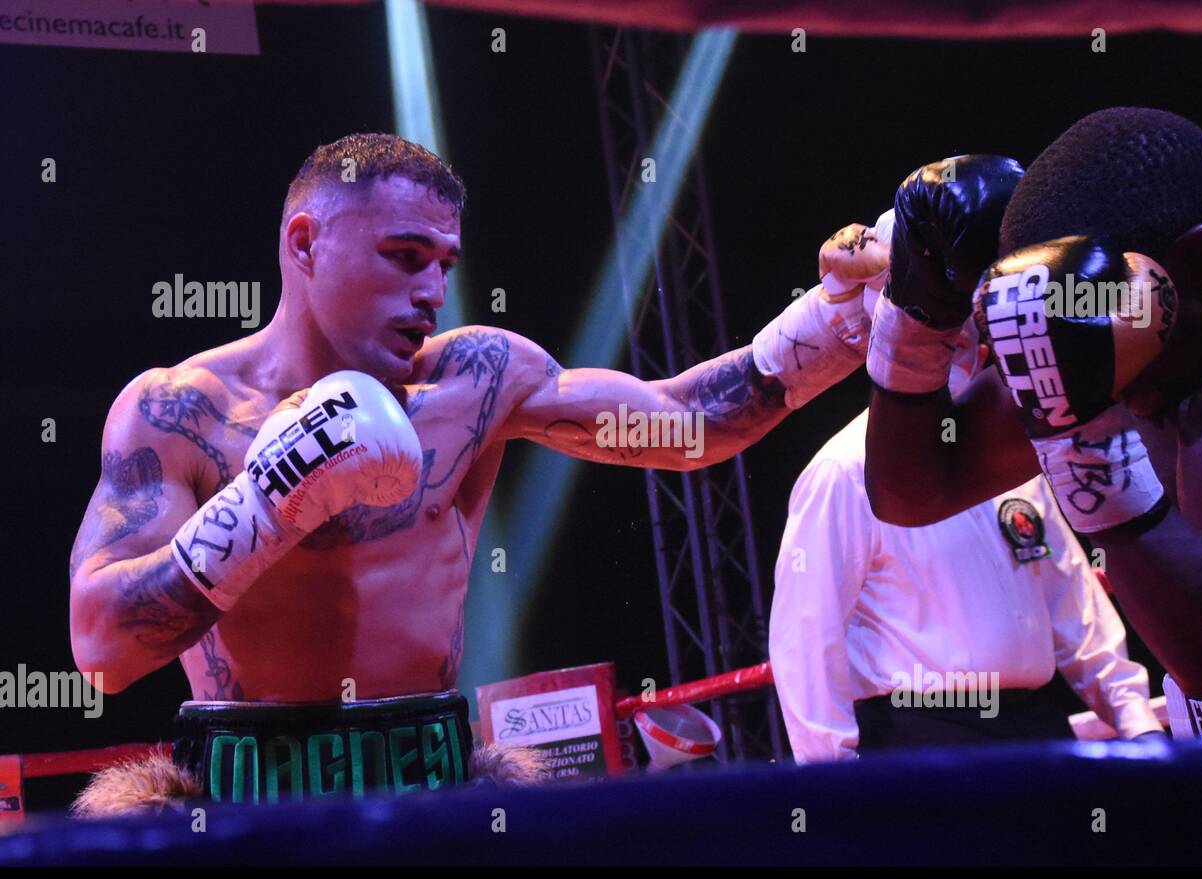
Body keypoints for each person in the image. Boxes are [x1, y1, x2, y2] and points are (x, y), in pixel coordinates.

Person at [67, 133, 886, 807]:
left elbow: (685, 425)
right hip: (248, 795)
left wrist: (839, 318)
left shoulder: (477, 380)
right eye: (404, 255)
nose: (432, 291)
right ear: (306, 243)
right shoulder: (180, 412)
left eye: (444, 264)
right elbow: (101, 648)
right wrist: (268, 500)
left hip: (436, 778)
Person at [862, 110, 1202, 738]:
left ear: (1200, 263)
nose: (1115, 368)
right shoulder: (1114, 349)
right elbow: (913, 491)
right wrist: (917, 313)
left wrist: (1075, 425)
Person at [770, 321, 1161, 762]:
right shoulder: (843, 470)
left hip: (1038, 725)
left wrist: (1135, 720)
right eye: (928, 345)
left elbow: (1070, 600)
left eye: (960, 343)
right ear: (887, 355)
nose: (945, 359)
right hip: (917, 737)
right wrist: (833, 780)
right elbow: (806, 634)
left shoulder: (1016, 461)